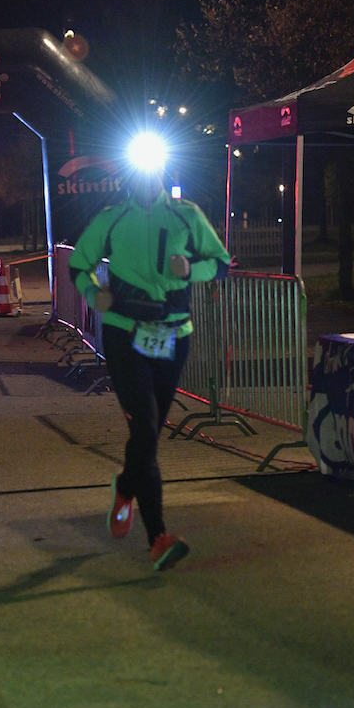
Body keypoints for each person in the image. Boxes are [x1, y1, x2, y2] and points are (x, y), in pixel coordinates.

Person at [69, 165, 230, 572]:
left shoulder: (186, 215)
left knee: (150, 434)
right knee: (145, 427)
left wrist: (193, 270)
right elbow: (78, 263)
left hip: (174, 335)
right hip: (126, 335)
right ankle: (158, 537)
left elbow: (221, 262)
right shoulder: (112, 217)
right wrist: (93, 293)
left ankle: (125, 486)